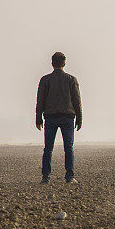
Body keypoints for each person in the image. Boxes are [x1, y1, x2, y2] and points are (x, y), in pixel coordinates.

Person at [36, 52, 82, 184]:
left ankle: (46, 177)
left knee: (48, 148)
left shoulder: (45, 80)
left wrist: (38, 118)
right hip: (67, 117)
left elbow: (40, 100)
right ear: (64, 63)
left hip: (50, 117)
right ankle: (70, 176)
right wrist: (79, 118)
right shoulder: (71, 79)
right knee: (68, 147)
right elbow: (77, 100)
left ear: (52, 63)